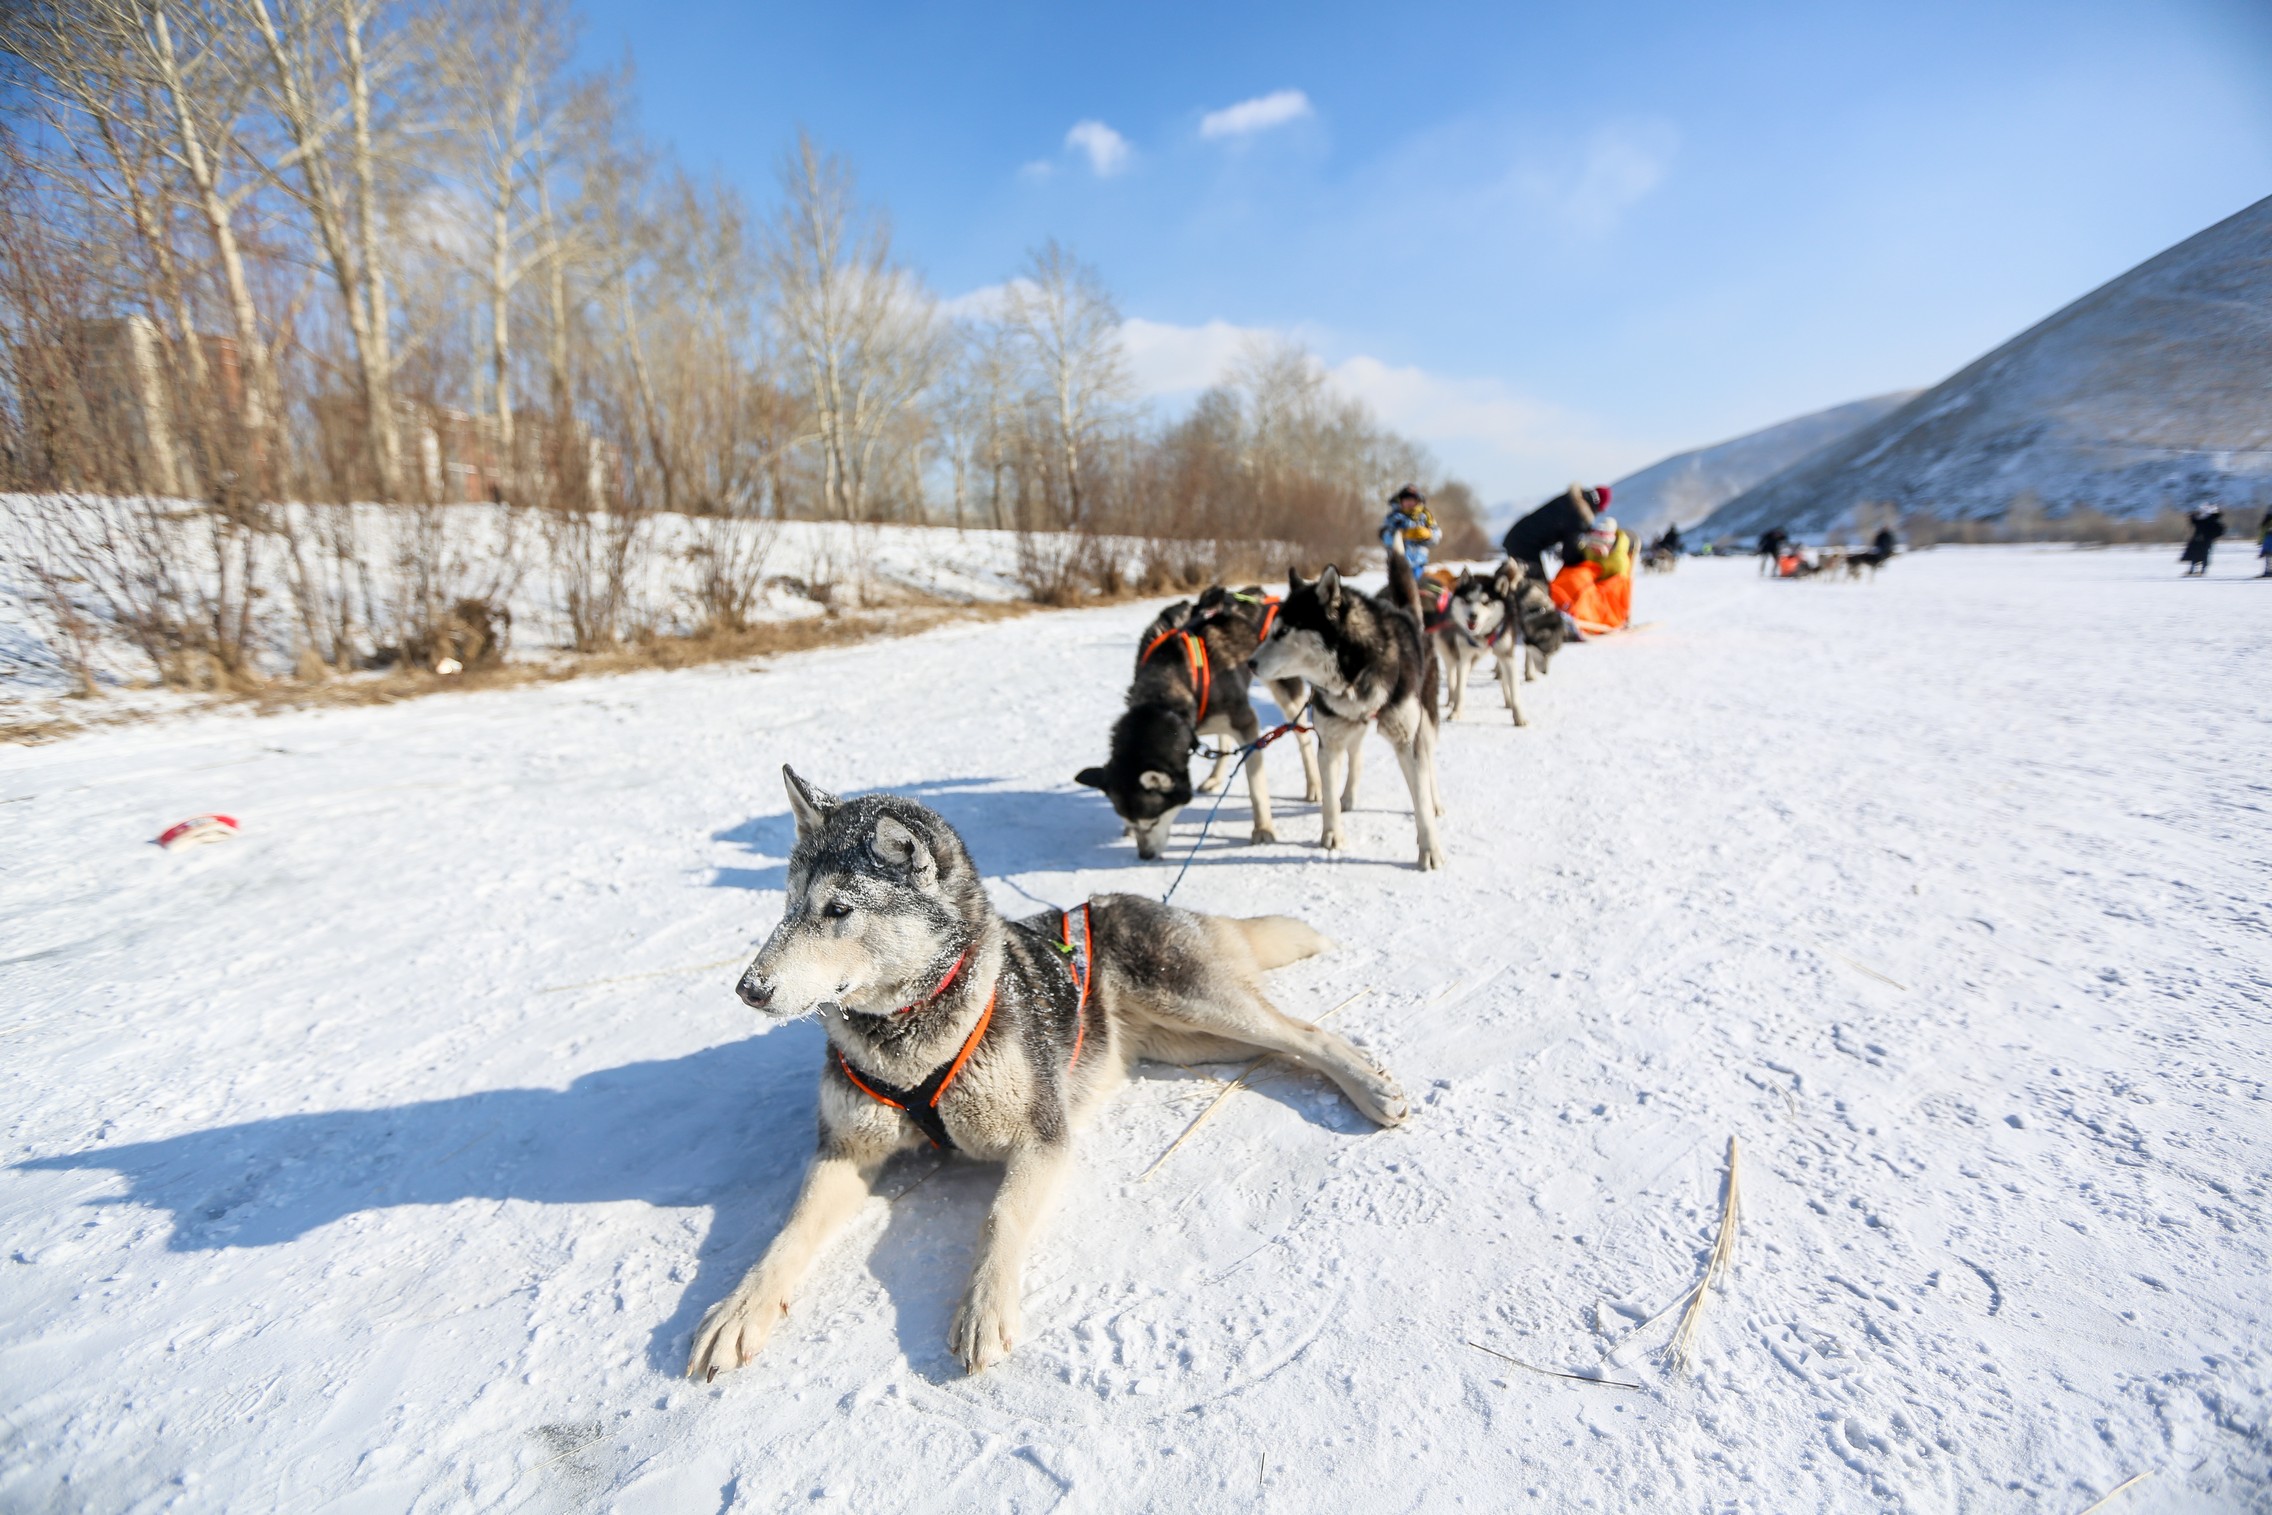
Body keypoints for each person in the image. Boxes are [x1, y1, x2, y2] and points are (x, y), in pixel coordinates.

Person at [1551, 514, 1634, 635]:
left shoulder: (1619, 561)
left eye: (1598, 548)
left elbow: (1618, 587)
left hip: (1605, 597)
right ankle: (1557, 601)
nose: (1594, 551)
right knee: (1574, 575)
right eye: (1593, 547)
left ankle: (1575, 613)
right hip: (1590, 585)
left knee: (1583, 590)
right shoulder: (1589, 551)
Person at [1380, 485, 1438, 574]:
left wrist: (1428, 534)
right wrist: (1402, 535)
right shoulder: (1392, 518)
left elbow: (1437, 536)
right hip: (1397, 565)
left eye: (1412, 500)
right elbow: (1384, 537)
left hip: (1419, 565)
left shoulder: (1425, 517)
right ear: (1401, 501)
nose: (1409, 503)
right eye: (1406, 500)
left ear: (1417, 501)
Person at [2181, 505, 2225, 576]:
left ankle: (2198, 570)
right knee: (2200, 555)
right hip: (2201, 540)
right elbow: (2196, 522)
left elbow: (2196, 522)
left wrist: (2192, 517)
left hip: (2203, 540)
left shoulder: (2208, 520)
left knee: (2200, 555)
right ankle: (2197, 570)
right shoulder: (2209, 519)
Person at [2259, 508, 2271, 578]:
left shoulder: (2266, 520)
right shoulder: (2266, 521)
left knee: (2268, 558)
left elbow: (2262, 532)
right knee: (2268, 558)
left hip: (2267, 542)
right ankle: (2268, 571)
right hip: (2268, 541)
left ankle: (2268, 572)